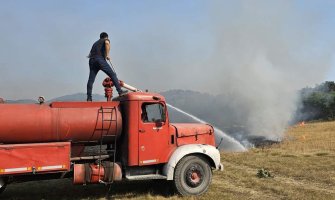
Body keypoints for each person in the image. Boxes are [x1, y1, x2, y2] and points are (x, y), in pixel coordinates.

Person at [87, 32, 127, 101]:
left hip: (92, 60)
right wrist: (107, 55)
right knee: (113, 75)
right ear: (106, 37)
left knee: (91, 80)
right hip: (100, 59)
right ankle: (120, 92)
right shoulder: (105, 40)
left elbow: (90, 54)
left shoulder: (95, 43)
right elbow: (107, 43)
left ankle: (89, 98)